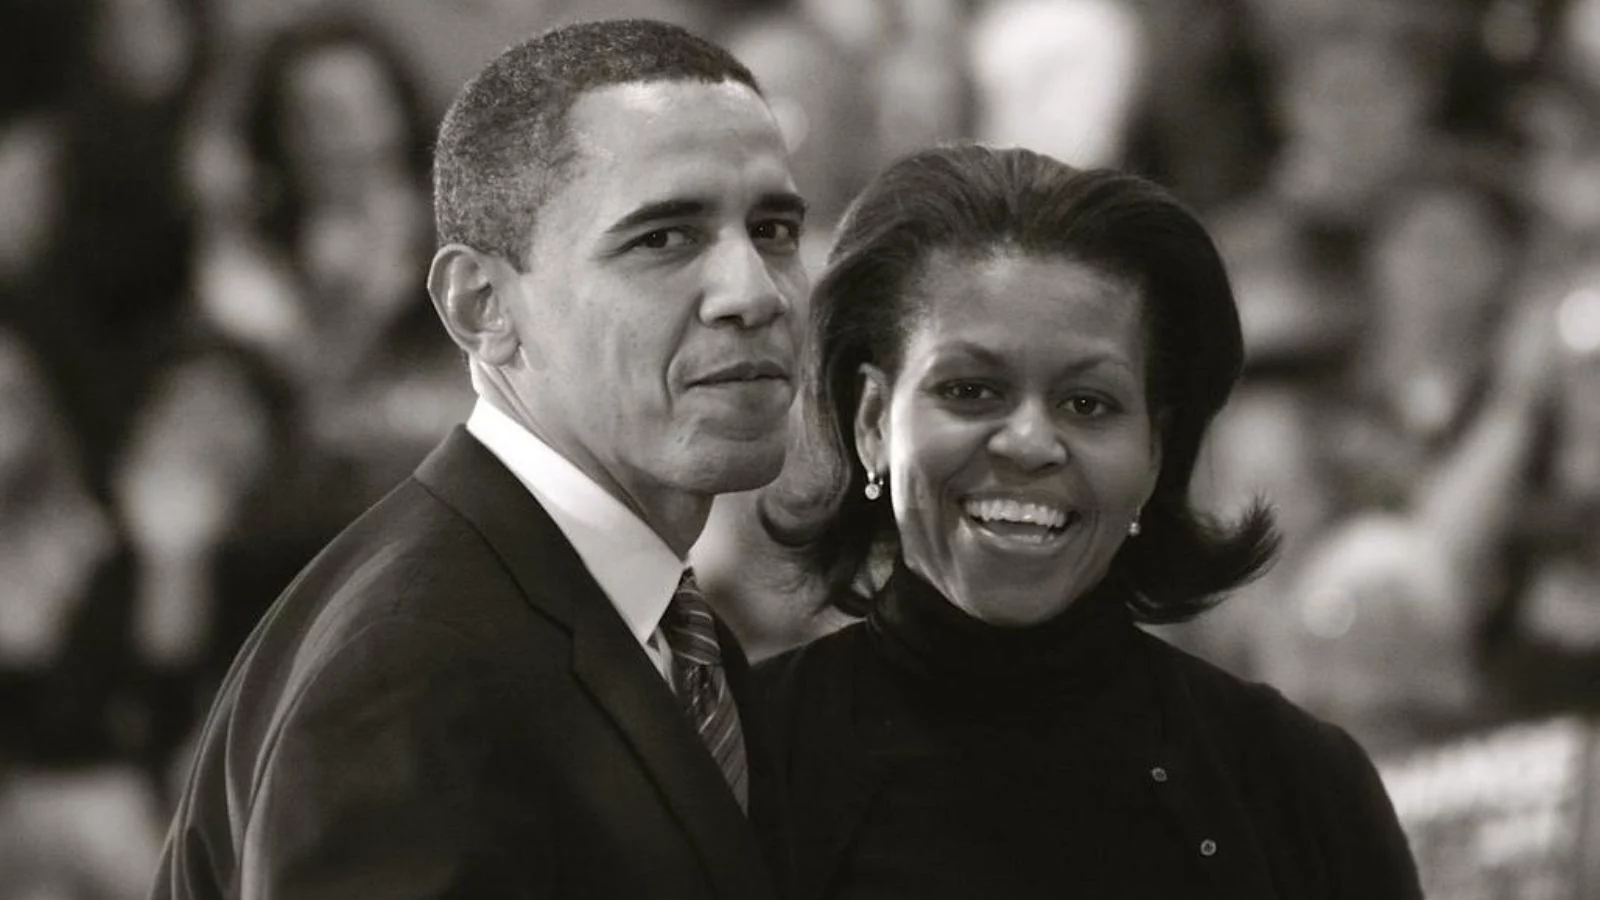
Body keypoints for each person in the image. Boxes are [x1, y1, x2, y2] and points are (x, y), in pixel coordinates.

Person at [150, 18, 808, 898]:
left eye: (772, 230)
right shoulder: (411, 669)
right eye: (664, 238)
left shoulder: (643, 616)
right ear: (483, 305)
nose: (755, 293)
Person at [751, 144, 1423, 899]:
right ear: (874, 421)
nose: (1032, 442)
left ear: (1156, 451)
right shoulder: (738, 762)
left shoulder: (1295, 782)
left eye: (1088, 404)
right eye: (971, 390)